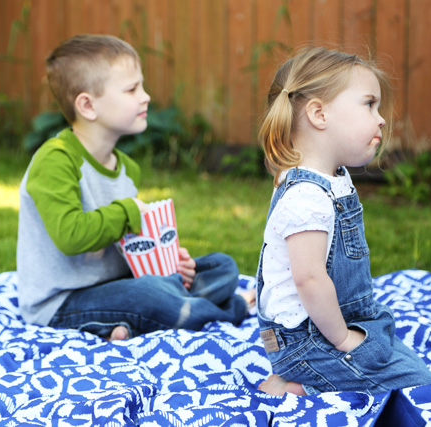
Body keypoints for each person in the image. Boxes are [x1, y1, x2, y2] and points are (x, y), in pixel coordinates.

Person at [17, 34, 255, 342]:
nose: (146, 97)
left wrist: (168, 260)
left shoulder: (127, 169)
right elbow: (70, 235)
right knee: (154, 294)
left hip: (118, 285)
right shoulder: (56, 160)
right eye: (132, 89)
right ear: (88, 105)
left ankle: (128, 323)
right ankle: (231, 309)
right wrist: (129, 211)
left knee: (222, 267)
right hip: (62, 302)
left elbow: (124, 242)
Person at [254, 46, 431, 395]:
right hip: (307, 339)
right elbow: (309, 279)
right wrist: (342, 339)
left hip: (330, 321)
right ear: (319, 114)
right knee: (418, 385)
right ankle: (297, 384)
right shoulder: (306, 196)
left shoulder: (330, 177)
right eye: (369, 104)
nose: (381, 118)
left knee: (387, 340)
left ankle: (310, 376)